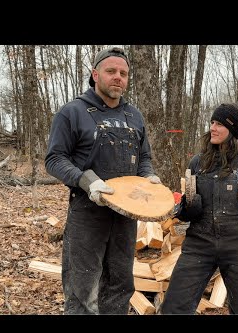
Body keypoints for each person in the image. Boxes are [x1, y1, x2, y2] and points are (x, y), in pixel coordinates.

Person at [45, 47, 161, 314]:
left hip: (126, 214)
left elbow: (144, 158)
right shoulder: (73, 112)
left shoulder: (134, 115)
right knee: (83, 288)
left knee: (120, 284)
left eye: (123, 73)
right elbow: (54, 159)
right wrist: (86, 180)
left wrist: (148, 177)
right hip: (88, 213)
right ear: (95, 74)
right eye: (111, 71)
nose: (118, 77)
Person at [160, 103, 238, 315]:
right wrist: (186, 210)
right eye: (212, 122)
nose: (213, 127)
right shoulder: (198, 163)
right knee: (174, 307)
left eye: (219, 124)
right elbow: (186, 200)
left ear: (233, 130)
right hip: (199, 243)